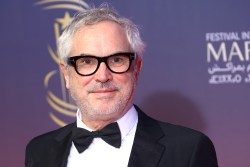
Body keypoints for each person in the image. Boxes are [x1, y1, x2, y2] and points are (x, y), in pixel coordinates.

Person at [25, 4, 218, 167]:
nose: (102, 76)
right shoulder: (39, 151)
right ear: (66, 74)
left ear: (137, 68)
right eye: (87, 62)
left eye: (117, 60)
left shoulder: (188, 150)